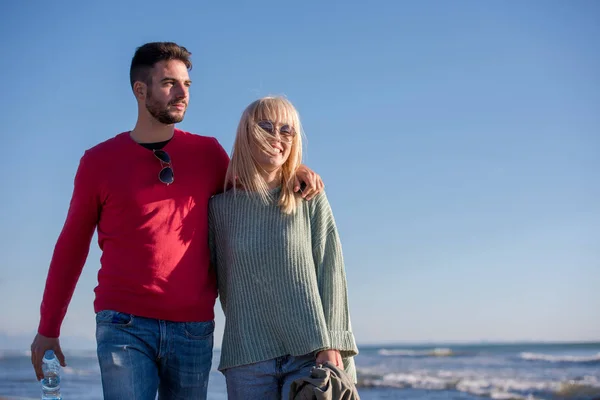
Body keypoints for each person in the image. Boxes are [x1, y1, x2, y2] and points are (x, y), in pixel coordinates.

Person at [30, 42, 324, 399]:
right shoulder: (98, 162)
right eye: (170, 83)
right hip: (124, 324)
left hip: (193, 330)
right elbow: (71, 248)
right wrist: (48, 327)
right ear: (140, 90)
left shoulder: (208, 153)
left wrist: (297, 170)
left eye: (187, 84)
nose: (183, 93)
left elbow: (259, 180)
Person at [208, 96, 359, 400]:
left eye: (287, 131)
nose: (277, 138)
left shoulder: (308, 198)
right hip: (247, 358)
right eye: (265, 127)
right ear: (246, 134)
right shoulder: (219, 209)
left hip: (312, 353)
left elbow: (331, 273)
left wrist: (333, 343)